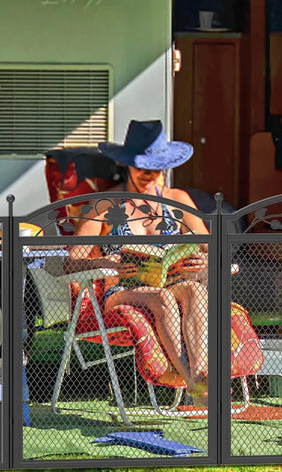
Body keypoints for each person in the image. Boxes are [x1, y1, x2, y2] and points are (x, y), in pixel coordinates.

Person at [68, 120, 212, 406]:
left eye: (156, 169)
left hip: (172, 281)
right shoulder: (105, 205)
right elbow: (71, 263)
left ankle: (200, 379)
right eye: (142, 169)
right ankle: (198, 389)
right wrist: (107, 264)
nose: (149, 176)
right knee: (162, 299)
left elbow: (213, 248)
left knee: (195, 292)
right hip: (120, 289)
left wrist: (201, 257)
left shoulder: (176, 200)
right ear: (127, 166)